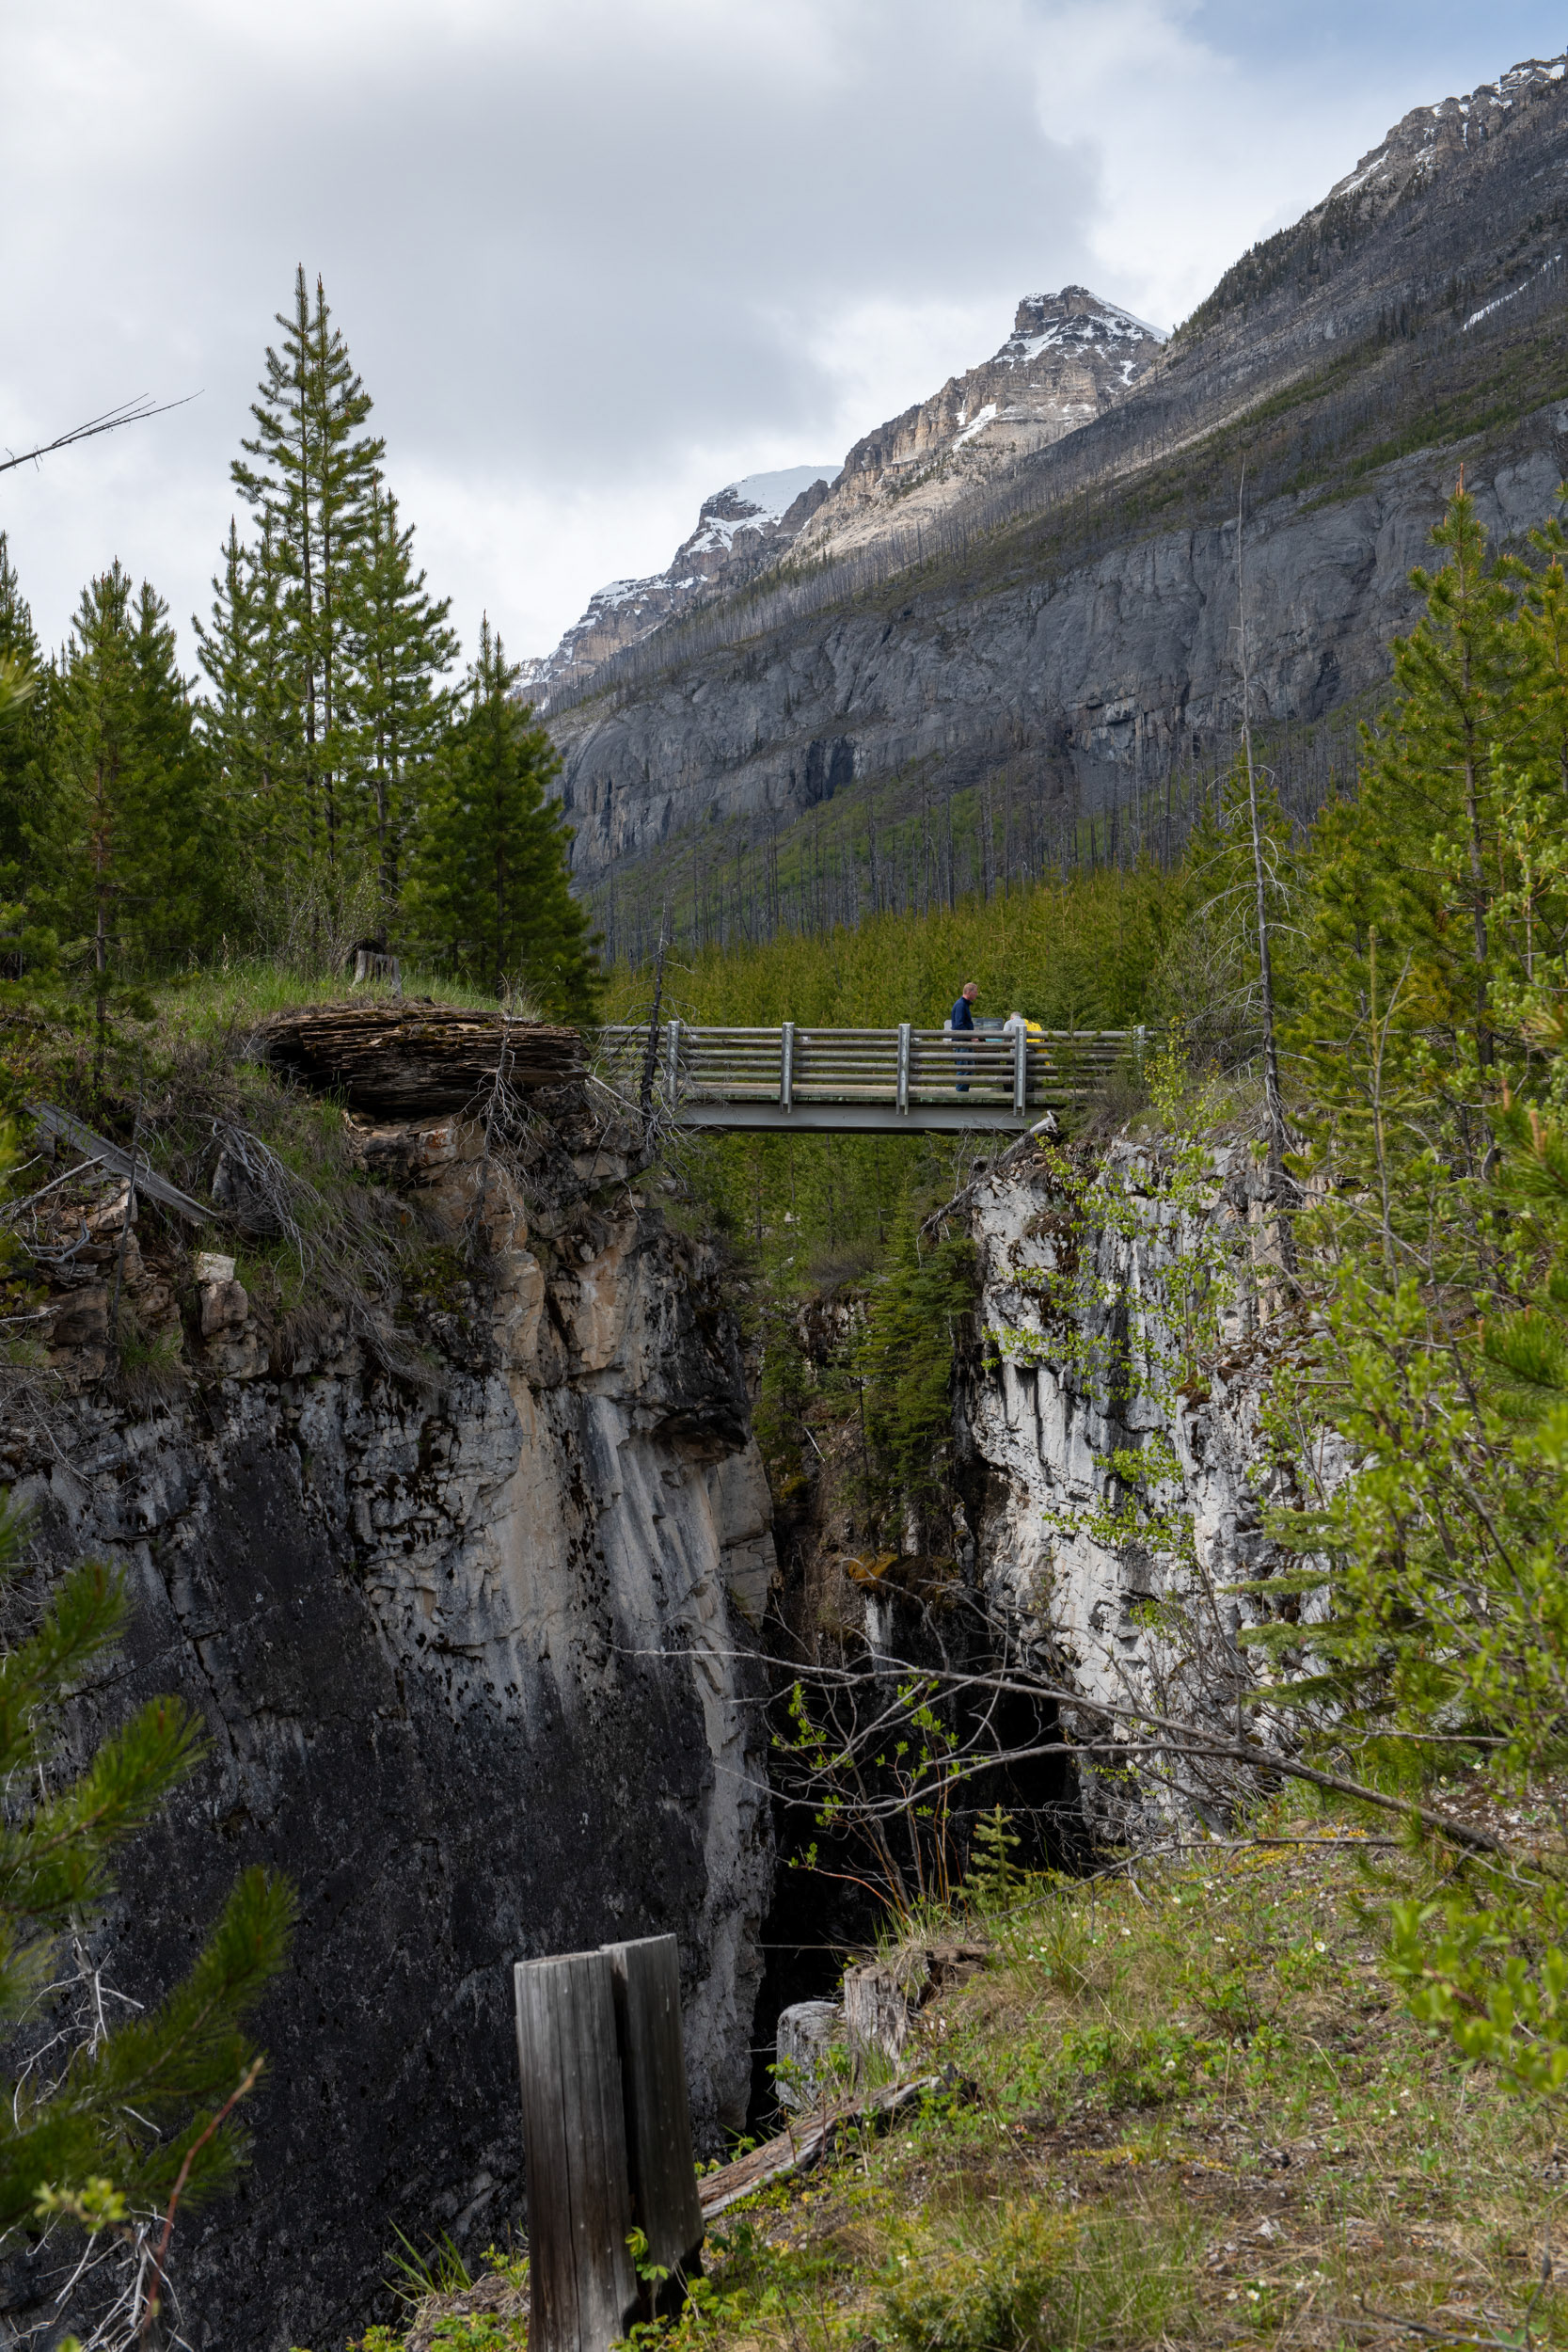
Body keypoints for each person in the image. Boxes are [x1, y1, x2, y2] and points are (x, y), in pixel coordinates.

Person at [949, 979, 978, 1093]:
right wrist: (971, 1037)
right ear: (969, 992)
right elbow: (959, 1025)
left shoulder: (963, 1004)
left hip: (965, 1041)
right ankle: (960, 1095)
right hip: (962, 1042)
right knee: (964, 1069)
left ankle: (963, 1093)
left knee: (968, 1069)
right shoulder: (961, 1005)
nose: (976, 994)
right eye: (975, 992)